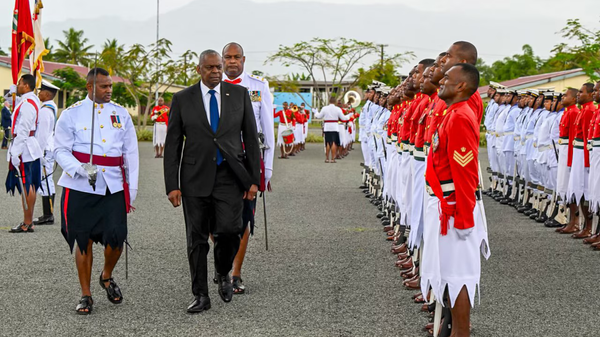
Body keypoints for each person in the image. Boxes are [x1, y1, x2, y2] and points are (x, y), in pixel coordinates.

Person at [164, 50, 260, 314]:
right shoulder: (183, 99)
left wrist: (254, 180)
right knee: (196, 240)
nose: (217, 71)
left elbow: (251, 139)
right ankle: (201, 294)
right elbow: (172, 145)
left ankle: (222, 271)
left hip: (230, 177)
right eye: (210, 67)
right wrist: (172, 184)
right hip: (194, 179)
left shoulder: (239, 95)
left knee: (231, 230)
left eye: (219, 66)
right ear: (199, 70)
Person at [54, 67, 139, 314]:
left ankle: (106, 275)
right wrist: (80, 168)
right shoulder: (71, 115)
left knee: (116, 237)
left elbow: (130, 153)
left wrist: (131, 188)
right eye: (104, 86)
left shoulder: (120, 114)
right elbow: (60, 149)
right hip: (79, 185)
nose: (109, 90)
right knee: (83, 239)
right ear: (89, 87)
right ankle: (85, 294)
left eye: (110, 86)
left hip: (112, 185)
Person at [421, 63, 490, 337]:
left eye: (448, 78)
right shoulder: (452, 113)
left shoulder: (460, 116)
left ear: (462, 85)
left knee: (459, 276)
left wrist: (463, 217)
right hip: (444, 203)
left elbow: (465, 173)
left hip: (454, 208)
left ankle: (461, 333)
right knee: (447, 273)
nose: (441, 81)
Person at [222, 42, 275, 294]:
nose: (232, 61)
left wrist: (268, 170)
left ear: (243, 59)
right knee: (215, 221)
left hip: (247, 160)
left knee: (243, 219)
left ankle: (236, 273)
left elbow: (267, 130)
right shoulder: (210, 86)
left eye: (236, 57)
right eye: (227, 57)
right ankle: (223, 265)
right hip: (218, 161)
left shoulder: (258, 87)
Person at [6, 74, 42, 233]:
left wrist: (16, 152)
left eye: (19, 83)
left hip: (25, 147)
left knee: (28, 184)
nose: (17, 85)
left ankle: (27, 222)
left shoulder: (27, 103)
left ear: (26, 85)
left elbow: (23, 129)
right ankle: (28, 221)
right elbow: (15, 103)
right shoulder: (30, 99)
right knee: (30, 184)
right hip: (28, 145)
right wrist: (11, 93)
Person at [33, 80, 59, 225]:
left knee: (46, 180)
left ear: (47, 94)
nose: (39, 93)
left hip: (44, 149)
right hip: (49, 148)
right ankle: (48, 213)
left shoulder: (45, 111)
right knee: (47, 180)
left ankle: (48, 215)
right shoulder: (51, 107)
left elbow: (41, 135)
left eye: (41, 91)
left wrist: (39, 152)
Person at [314, 96, 349, 163]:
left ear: (329, 101)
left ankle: (327, 158)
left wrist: (315, 112)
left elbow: (319, 116)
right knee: (333, 143)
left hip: (327, 127)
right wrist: (348, 116)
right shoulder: (338, 109)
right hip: (335, 127)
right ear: (335, 102)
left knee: (327, 143)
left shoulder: (325, 108)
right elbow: (343, 118)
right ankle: (333, 159)